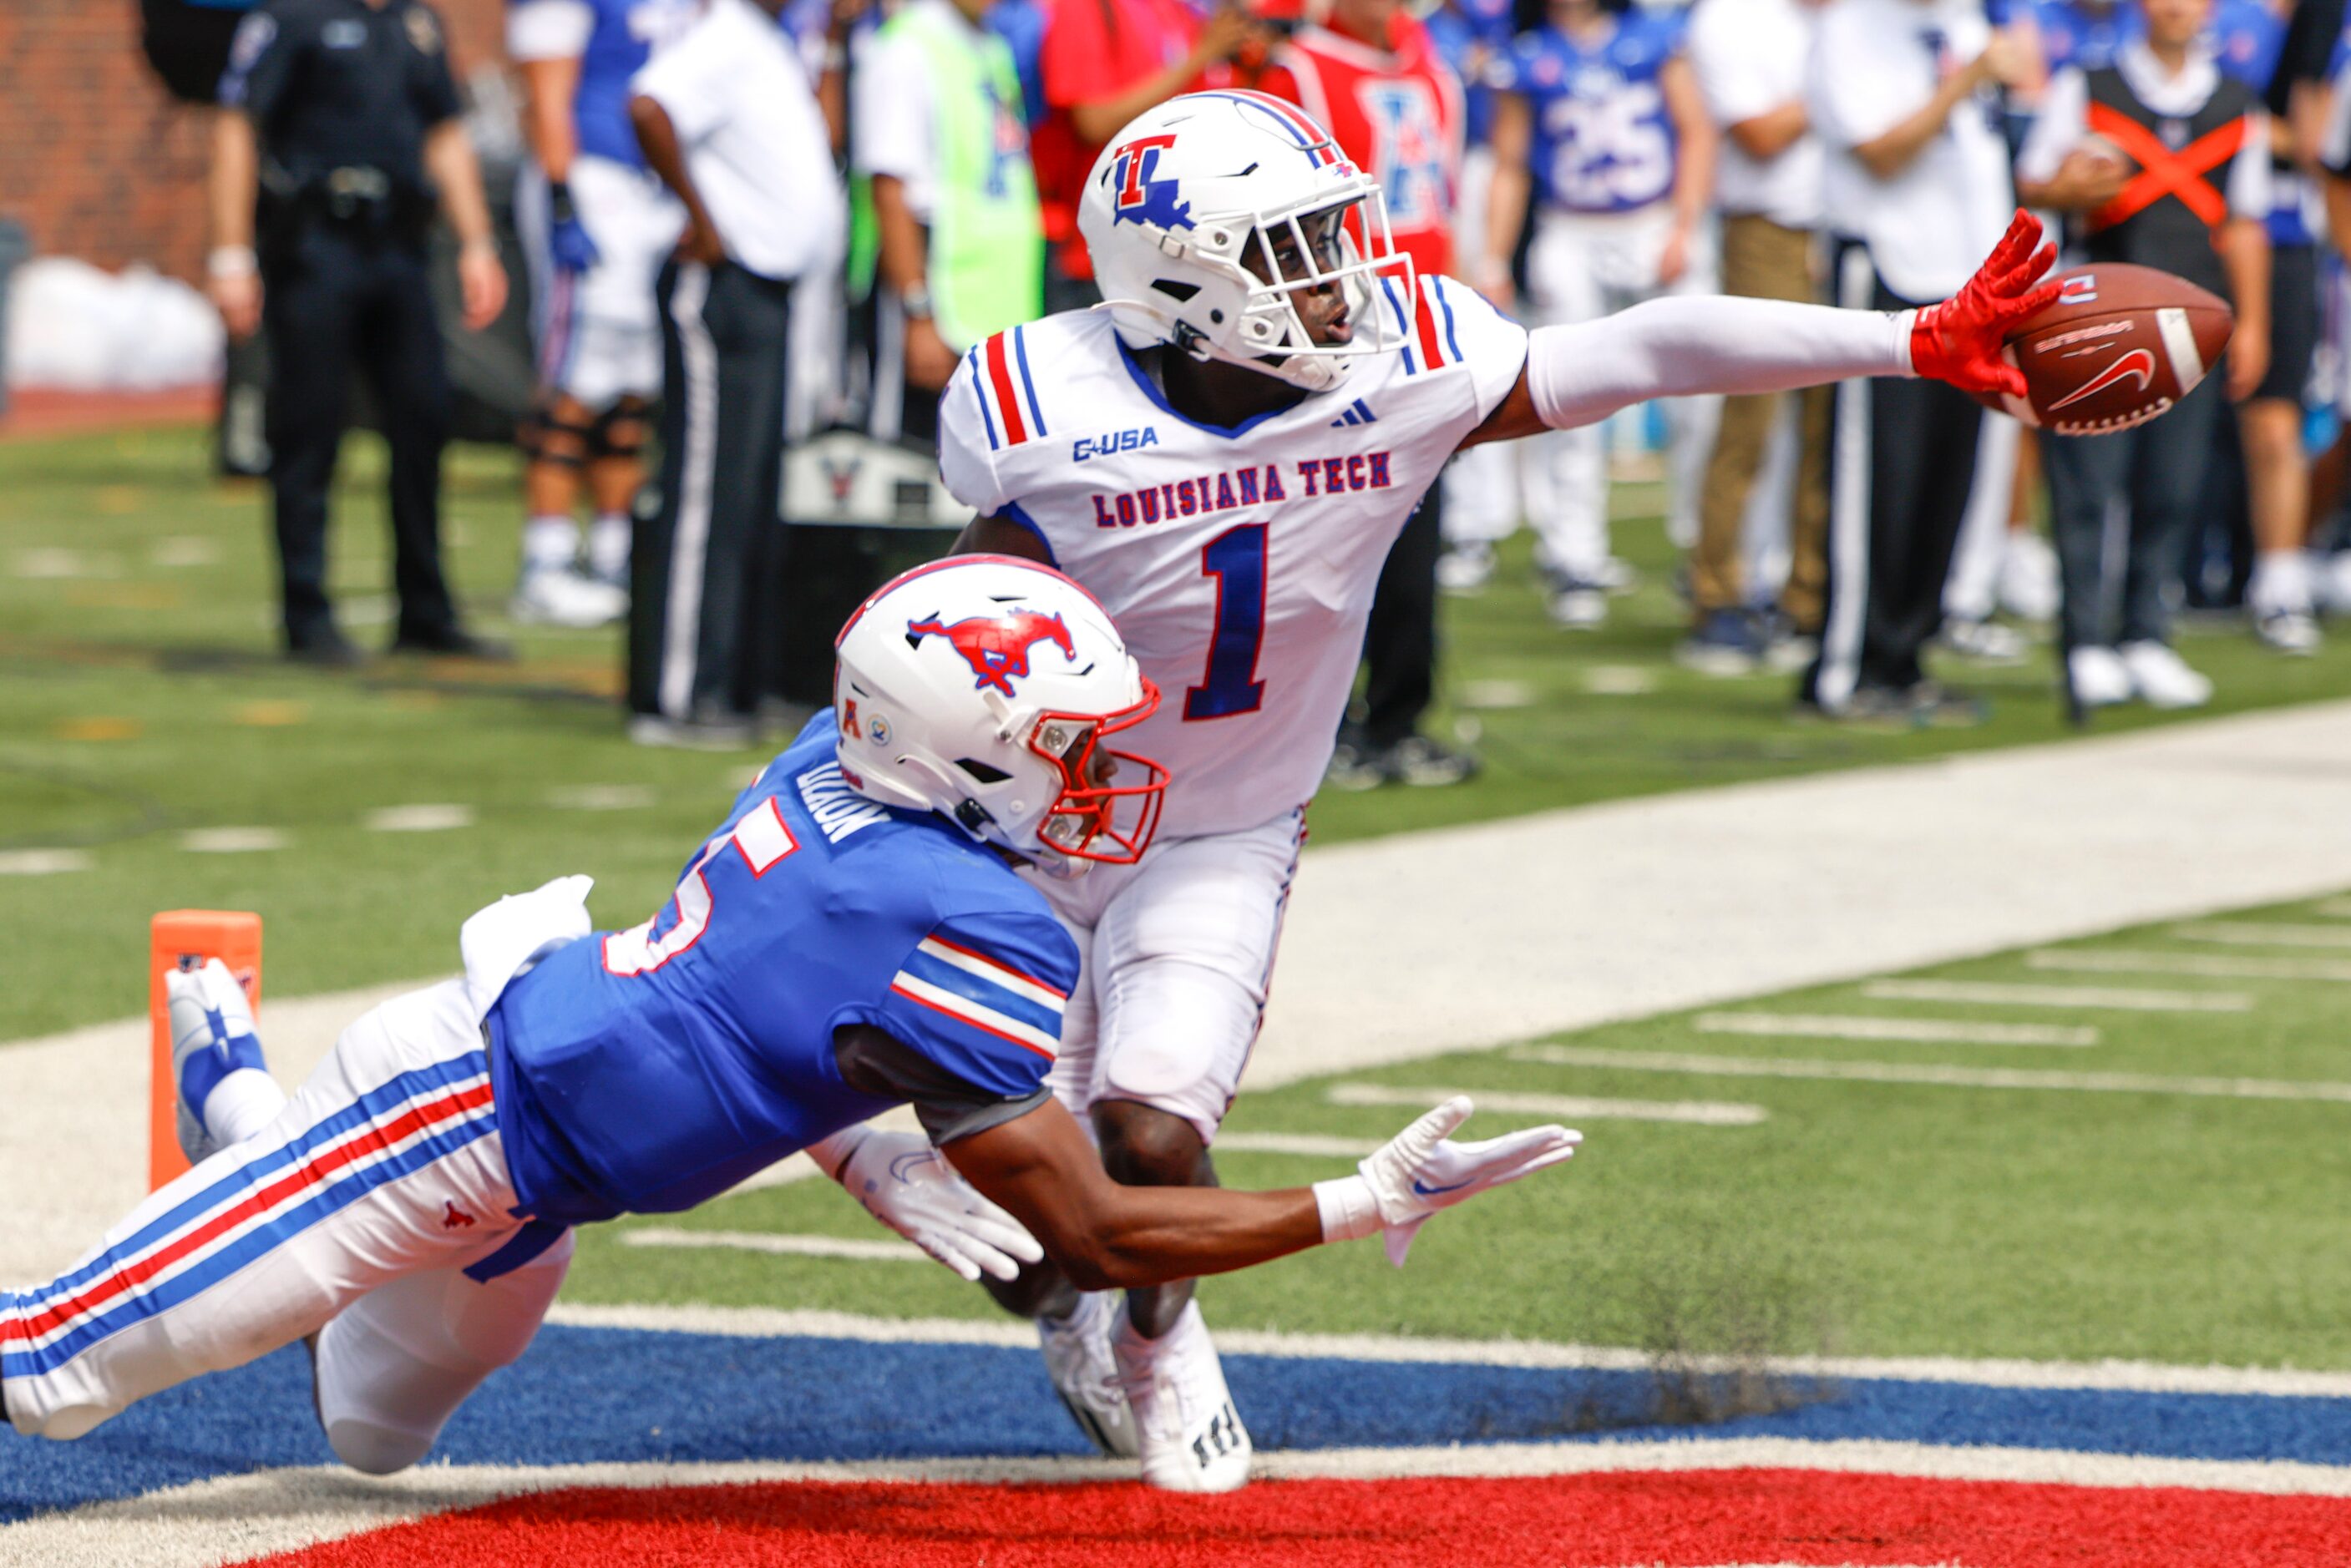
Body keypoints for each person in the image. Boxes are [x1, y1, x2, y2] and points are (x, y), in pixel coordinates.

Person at [939, 90, 2061, 1490]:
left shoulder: (1400, 363)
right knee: (1032, 1248)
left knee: (1155, 1134)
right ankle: (1073, 1311)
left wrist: (1907, 340)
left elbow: (1643, 345)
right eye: (1292, 249)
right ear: (1185, 283)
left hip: (1225, 821)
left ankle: (1157, 1335)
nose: (1343, 273)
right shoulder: (1040, 409)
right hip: (1022, 836)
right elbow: (937, 618)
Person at [0, 555, 1581, 1472]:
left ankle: (244, 1122)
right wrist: (1359, 1196)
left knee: (366, 1438)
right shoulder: (960, 912)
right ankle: (265, 1137)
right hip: (446, 1116)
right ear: (962, 747)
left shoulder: (829, 774)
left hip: (538, 1178)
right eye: (1065, 742)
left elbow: (763, 1019)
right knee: (49, 1364)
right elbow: (1097, 1235)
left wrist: (860, 1154)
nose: (1100, 773)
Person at [210, 0, 511, 666]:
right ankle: (306, 611)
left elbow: (444, 131)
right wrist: (230, 254)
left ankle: (426, 609)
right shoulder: (291, 16)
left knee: (423, 422)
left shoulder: (414, 22)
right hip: (316, 243)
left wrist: (477, 242)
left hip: (398, 246)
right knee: (309, 429)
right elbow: (238, 125)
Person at [2015, 0, 2270, 708]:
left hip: (2190, 321)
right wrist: (2073, 186)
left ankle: (2145, 634)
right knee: (2088, 484)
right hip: (2098, 316)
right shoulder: (2087, 85)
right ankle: (2085, 641)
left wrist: (2251, 324)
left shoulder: (2233, 100)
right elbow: (2032, 184)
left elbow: (2242, 222)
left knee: (2172, 484)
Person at [1258, 0, 1480, 788]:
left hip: (1420, 327)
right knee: (1319, 538)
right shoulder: (1299, 72)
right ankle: (1309, 720)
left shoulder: (1432, 64)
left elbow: (1447, 197)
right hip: (1337, 332)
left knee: (1416, 535)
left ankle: (1395, 714)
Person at [625, 0, 847, 747]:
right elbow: (650, 105)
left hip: (771, 289)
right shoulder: (722, 34)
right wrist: (704, 217)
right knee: (704, 495)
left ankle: (738, 680)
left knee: (749, 491)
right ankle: (681, 691)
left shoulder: (769, 44)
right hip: (724, 283)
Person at [1801, 0, 2026, 721]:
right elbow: (1879, 150)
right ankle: (1844, 665)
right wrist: (1966, 81)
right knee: (1878, 478)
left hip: (1966, 283)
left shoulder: (1963, 21)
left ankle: (1905, 657)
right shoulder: (1849, 28)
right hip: (1888, 272)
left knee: (1944, 479)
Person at [1484, 0, 1721, 631]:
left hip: (1651, 222)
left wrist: (1686, 224)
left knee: (1698, 402)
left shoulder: (1650, 37)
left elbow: (1695, 129)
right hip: (1571, 229)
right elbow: (1509, 164)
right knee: (1566, 397)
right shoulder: (1527, 55)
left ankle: (1704, 547)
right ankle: (1573, 555)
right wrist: (1493, 255)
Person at [503, 0, 700, 630]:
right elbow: (546, 89)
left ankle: (615, 552)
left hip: (654, 188)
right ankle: (548, 558)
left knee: (636, 383)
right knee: (576, 376)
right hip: (594, 179)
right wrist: (563, 198)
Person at [1685, 0, 1832, 674]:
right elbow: (1760, 135)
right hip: (1764, 227)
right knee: (1751, 411)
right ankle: (1716, 589)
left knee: (1828, 424)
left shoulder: (1854, 19)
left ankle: (1809, 593)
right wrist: (1845, 94)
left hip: (1842, 227)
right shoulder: (1729, 19)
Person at [2211, 0, 2343, 655]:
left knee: (2276, 416)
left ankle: (2279, 581)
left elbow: (2315, 142)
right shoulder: (2227, 19)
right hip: (2187, 226)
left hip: (2286, 233)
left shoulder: (2327, 22)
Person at [854, 0, 1044, 450]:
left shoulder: (990, 46)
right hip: (935, 292)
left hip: (995, 306)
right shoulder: (905, 48)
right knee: (913, 467)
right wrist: (918, 314)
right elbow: (890, 188)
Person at [1031, 0, 1264, 312]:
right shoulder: (1085, 8)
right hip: (1101, 258)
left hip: (1180, 252)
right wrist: (1202, 54)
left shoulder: (1175, 9)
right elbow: (1094, 120)